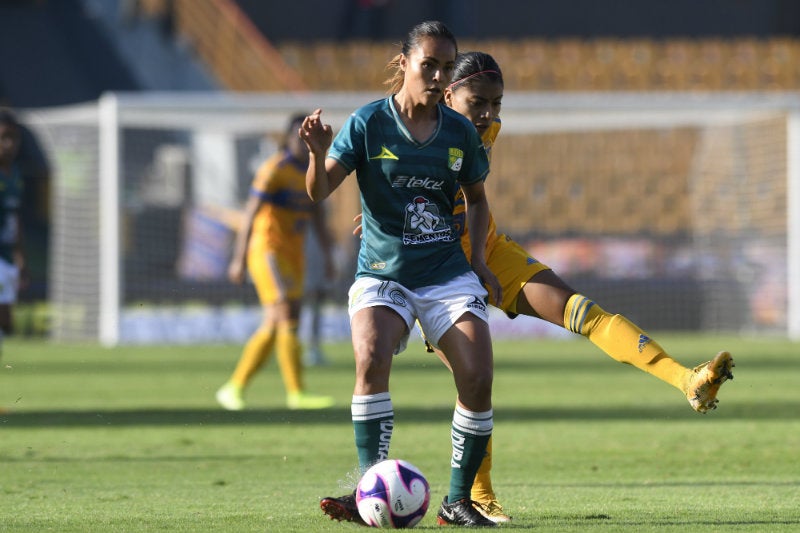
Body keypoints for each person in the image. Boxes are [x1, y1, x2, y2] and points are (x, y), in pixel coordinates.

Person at [405, 50, 734, 523]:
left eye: (496, 104)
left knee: (584, 312)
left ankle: (688, 381)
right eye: (478, 102)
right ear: (448, 93)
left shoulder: (484, 130)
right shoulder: (416, 130)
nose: (488, 114)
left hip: (488, 248)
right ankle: (476, 496)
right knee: (473, 379)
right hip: (435, 267)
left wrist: (479, 253)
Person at [303, 21, 502, 528]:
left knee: (477, 378)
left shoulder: (458, 132)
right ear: (404, 65)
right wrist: (317, 154)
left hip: (445, 273)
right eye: (427, 66)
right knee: (370, 355)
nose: (437, 77)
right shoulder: (369, 123)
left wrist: (477, 261)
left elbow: (477, 201)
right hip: (383, 273)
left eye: (444, 68)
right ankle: (370, 487)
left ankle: (458, 503)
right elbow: (319, 191)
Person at [215, 113, 335, 411]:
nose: (300, 141)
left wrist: (329, 254)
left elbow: (319, 217)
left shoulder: (311, 171)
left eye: (305, 137)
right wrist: (238, 258)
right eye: (296, 136)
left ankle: (234, 387)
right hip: (267, 250)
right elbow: (251, 213)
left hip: (293, 253)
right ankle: (296, 393)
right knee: (284, 310)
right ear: (287, 138)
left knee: (279, 318)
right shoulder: (274, 170)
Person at [0, 109, 27, 357]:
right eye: (3, 137)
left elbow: (15, 219)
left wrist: (21, 259)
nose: (9, 144)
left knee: (7, 321)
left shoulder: (15, 175)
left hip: (7, 256)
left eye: (13, 138)